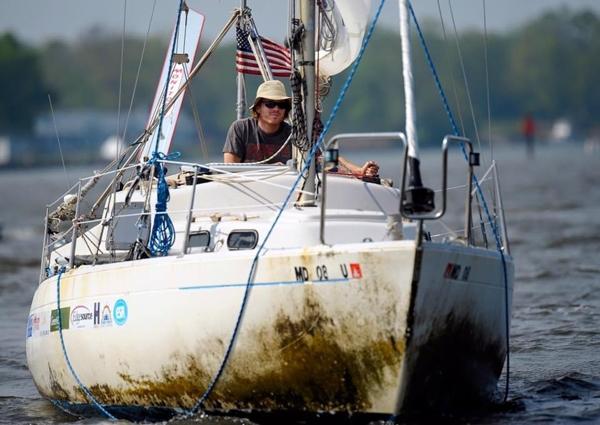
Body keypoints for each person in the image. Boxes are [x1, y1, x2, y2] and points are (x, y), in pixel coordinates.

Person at [223, 80, 379, 178]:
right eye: (270, 104)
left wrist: (358, 170)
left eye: (281, 105)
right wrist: (270, 170)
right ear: (258, 108)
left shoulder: (294, 134)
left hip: (285, 194)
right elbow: (229, 170)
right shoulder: (240, 129)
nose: (276, 109)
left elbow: (325, 158)